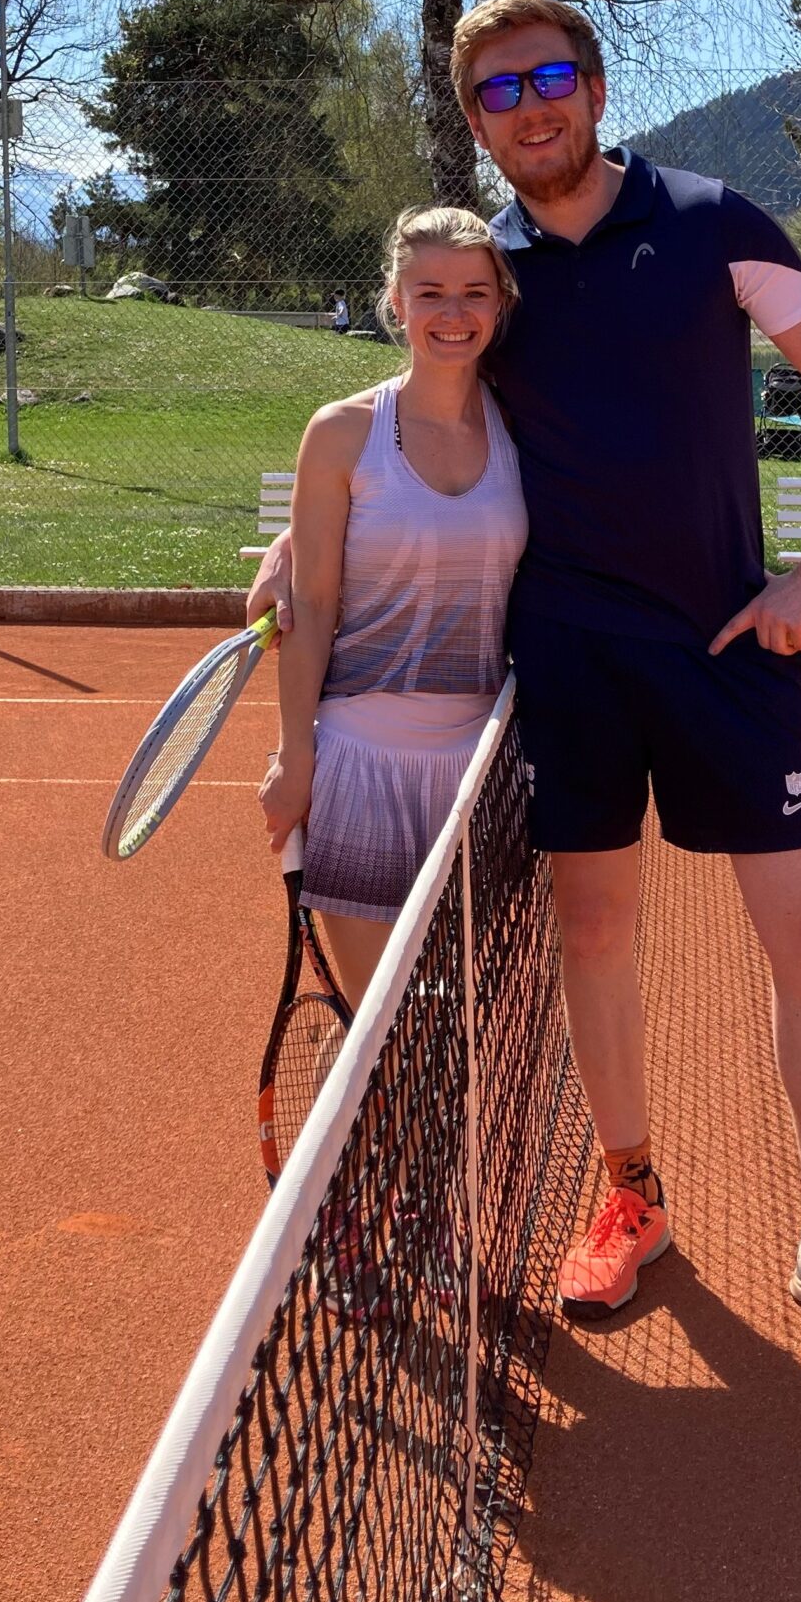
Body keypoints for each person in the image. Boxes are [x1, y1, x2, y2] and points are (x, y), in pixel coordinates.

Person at [253, 0, 801, 1370]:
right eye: (497, 91)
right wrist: (313, 533)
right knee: (594, 934)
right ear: (476, 123)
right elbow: (426, 408)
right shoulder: (493, 273)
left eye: (549, 78)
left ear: (592, 86)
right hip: (569, 658)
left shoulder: (713, 224)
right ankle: (631, 1193)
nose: (530, 106)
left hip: (731, 650)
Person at [258, 208, 527, 1012]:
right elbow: (312, 605)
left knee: (459, 1031)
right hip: (359, 762)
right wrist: (294, 760)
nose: (454, 313)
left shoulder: (525, 426)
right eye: (430, 292)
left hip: (483, 767)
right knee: (379, 1030)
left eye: (475, 292)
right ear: (396, 301)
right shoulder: (341, 432)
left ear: (501, 304)